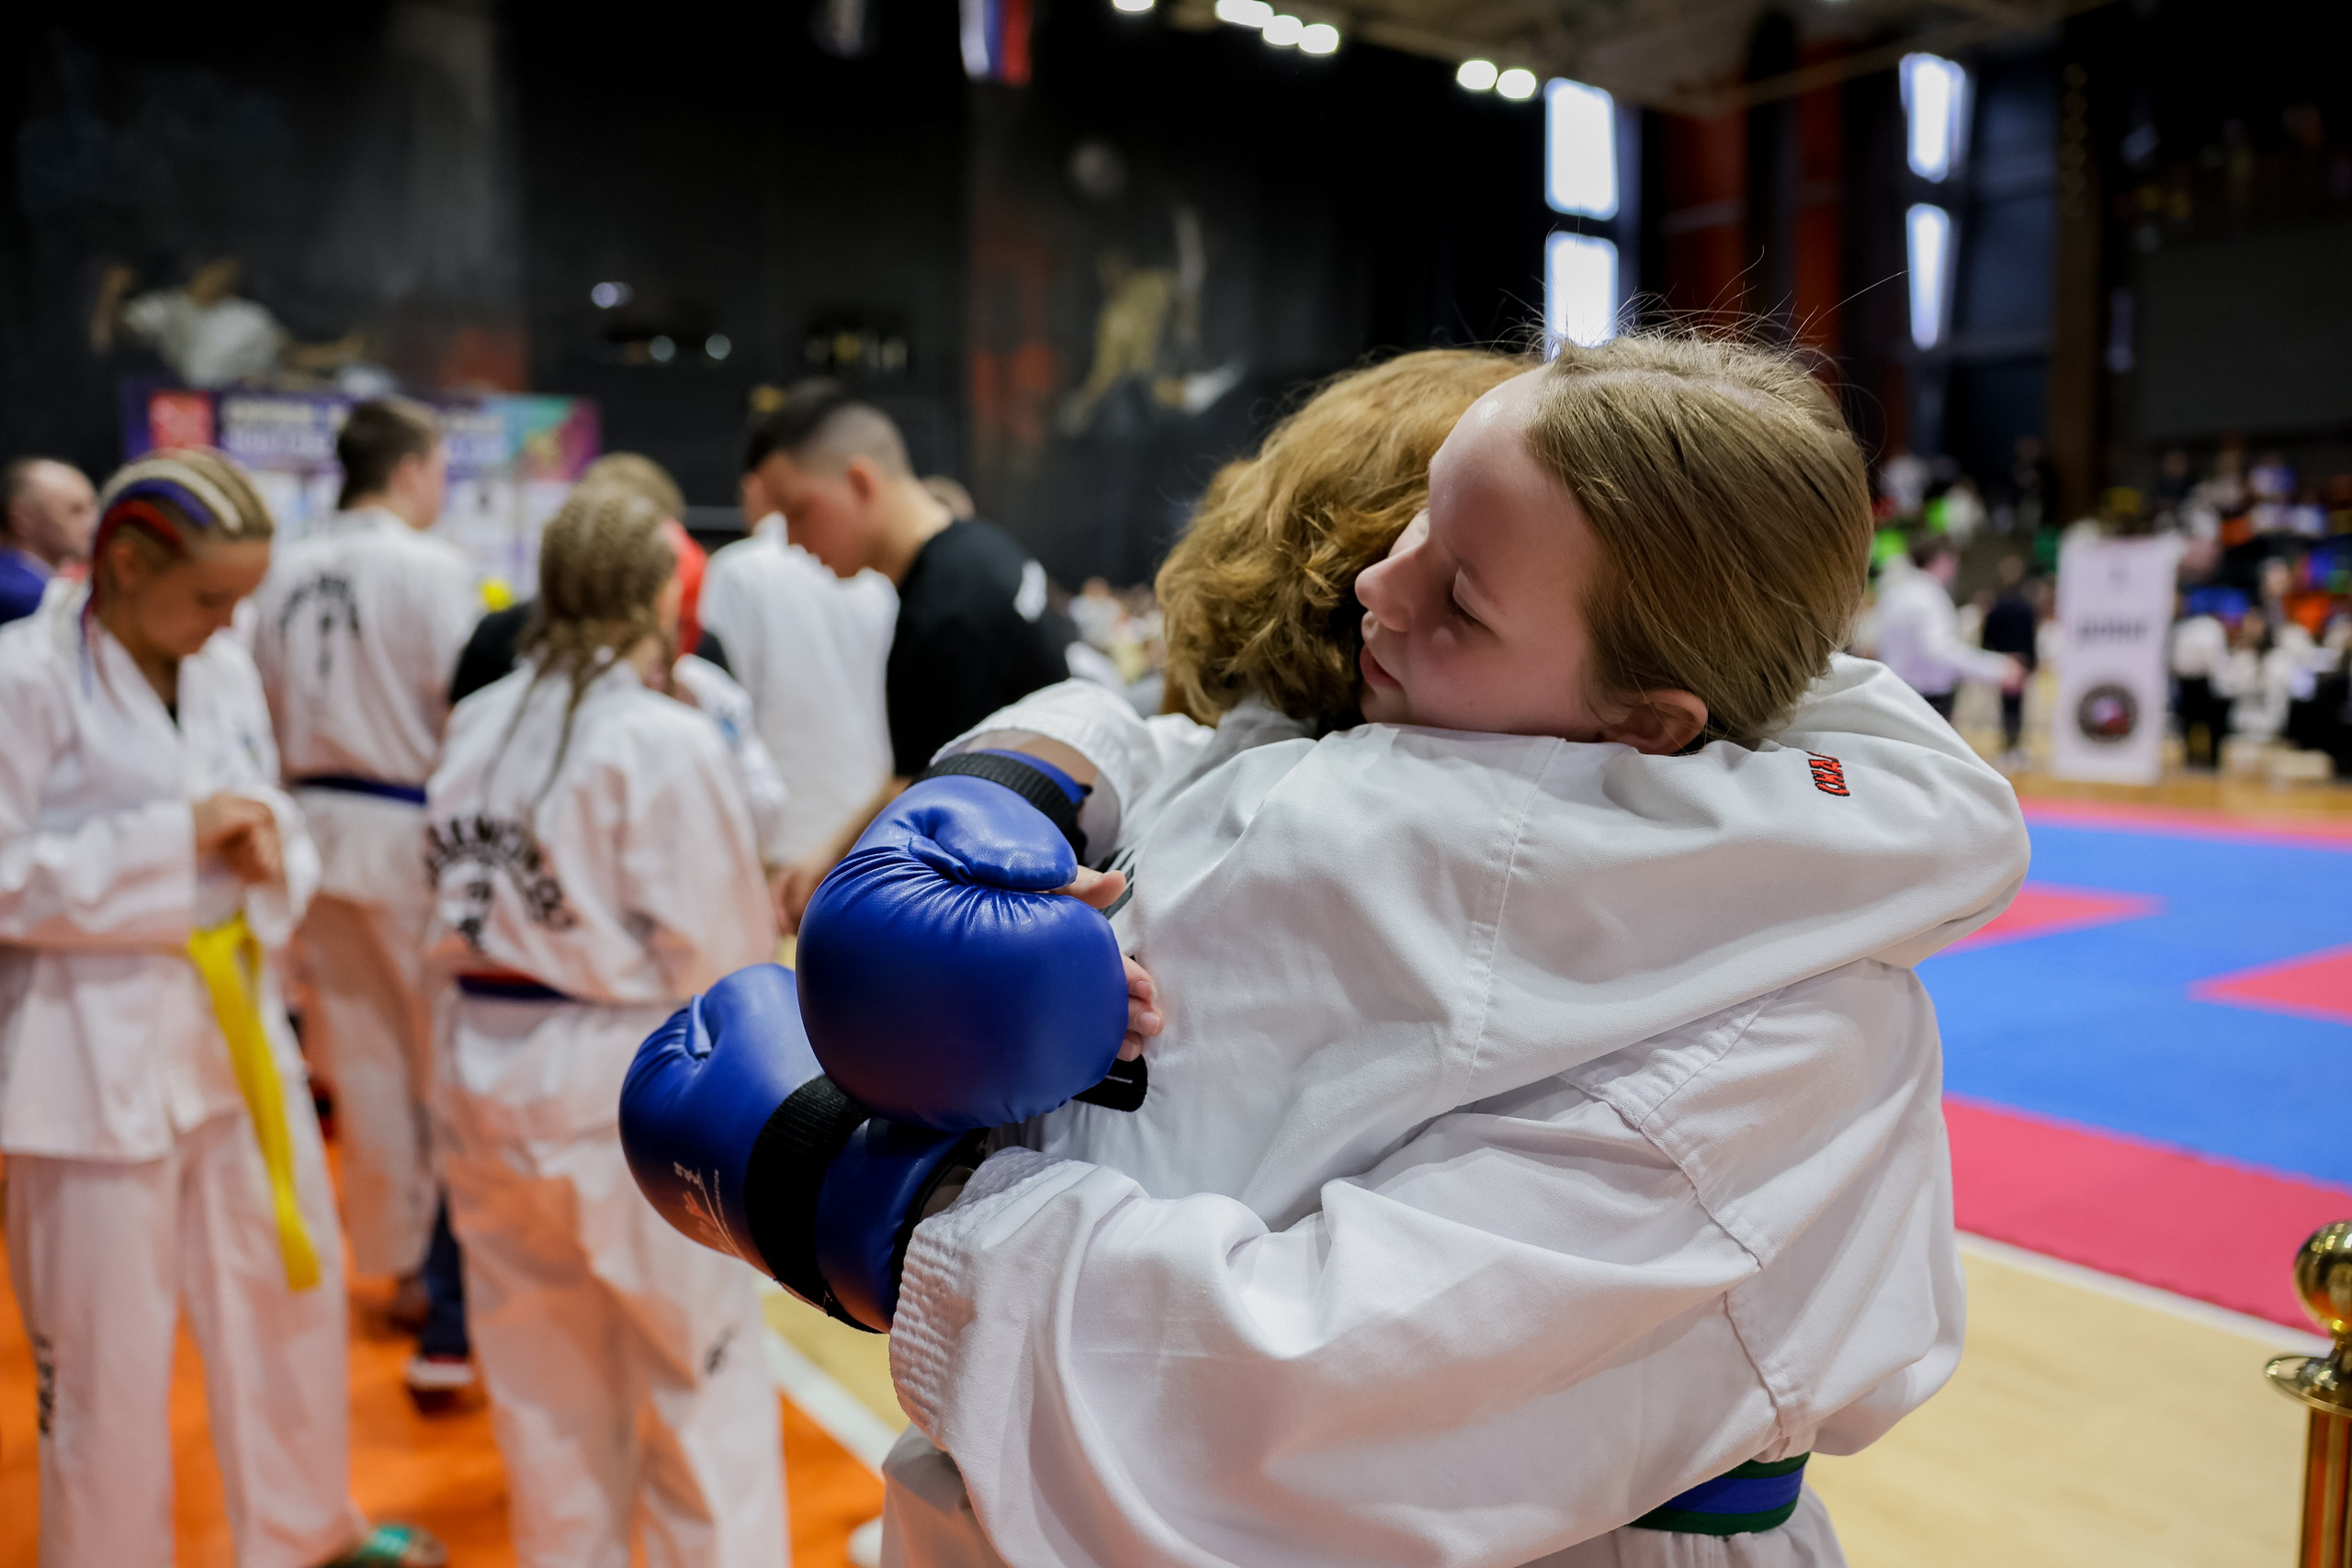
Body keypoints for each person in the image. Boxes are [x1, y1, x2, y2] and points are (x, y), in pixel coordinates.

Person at [624, 340, 2030, 1565]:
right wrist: (1028, 768)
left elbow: (1272, 1396)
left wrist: (869, 1193)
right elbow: (1192, 731)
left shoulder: (1777, 1024)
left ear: (1654, 719)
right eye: (1409, 521)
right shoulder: (1333, 759)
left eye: (1462, 595)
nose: (1375, 583)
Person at [0, 448, 443, 1568]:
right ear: (124, 561)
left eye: (238, 600)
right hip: (83, 1066)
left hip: (235, 1033)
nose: (222, 622)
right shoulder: (23, 677)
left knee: (283, 1303)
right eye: (206, 597)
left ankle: (307, 1532)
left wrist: (260, 843)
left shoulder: (226, 667)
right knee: (104, 1363)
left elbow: (269, 811)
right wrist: (175, 841)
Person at [424, 485, 787, 1568]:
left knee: (541, 1391)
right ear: (658, 598)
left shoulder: (476, 719)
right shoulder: (660, 738)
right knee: (697, 1380)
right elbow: (723, 958)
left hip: (479, 1070)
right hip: (626, 1080)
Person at [249, 397, 484, 1404]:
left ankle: (391, 1268)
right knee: (437, 1063)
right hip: (407, 830)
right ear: (415, 466)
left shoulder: (281, 572)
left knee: (363, 1064)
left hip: (310, 828)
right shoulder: (431, 570)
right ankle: (444, 1288)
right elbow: (469, 711)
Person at [752, 381, 1072, 926]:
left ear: (859, 482)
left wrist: (830, 866)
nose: (793, 540)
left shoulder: (946, 610)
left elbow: (923, 796)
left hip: (1025, 897)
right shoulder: (982, 551)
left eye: (799, 510)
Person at [694, 446, 897, 865]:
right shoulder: (877, 581)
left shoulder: (738, 573)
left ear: (757, 486)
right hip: (870, 839)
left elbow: (720, 712)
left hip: (778, 846)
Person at [1874, 535, 2022, 719]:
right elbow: (1940, 651)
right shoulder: (1929, 595)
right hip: (1924, 698)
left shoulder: (1895, 592)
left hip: (1895, 691)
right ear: (1942, 559)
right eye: (1954, 561)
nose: (1955, 568)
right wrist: (1998, 668)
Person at [0, 457, 97, 624]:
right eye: (75, 511)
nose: (94, 522)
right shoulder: (26, 597)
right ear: (23, 518)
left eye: (93, 508)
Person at [1981, 555, 2039, 769]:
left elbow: (1988, 638)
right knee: (2012, 706)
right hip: (2009, 662)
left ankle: (2012, 746)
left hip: (2008, 661)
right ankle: (2010, 747)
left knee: (2011, 706)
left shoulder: (2004, 607)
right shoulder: (2010, 607)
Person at [2170, 597, 2232, 770]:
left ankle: (2208, 758)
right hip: (2192, 682)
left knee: (2206, 724)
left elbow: (2215, 660)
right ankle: (2195, 757)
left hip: (2205, 682)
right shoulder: (2188, 628)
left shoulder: (2207, 627)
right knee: (2189, 723)